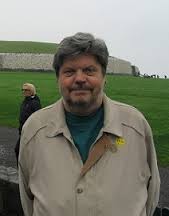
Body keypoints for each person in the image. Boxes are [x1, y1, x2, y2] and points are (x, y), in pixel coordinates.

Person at [18, 33, 160, 216]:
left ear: (104, 77)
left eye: (89, 70)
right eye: (69, 72)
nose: (79, 79)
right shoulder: (34, 130)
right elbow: (28, 201)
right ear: (58, 79)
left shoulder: (136, 126)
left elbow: (152, 195)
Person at [15, 83, 41, 164]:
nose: (24, 91)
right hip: (23, 131)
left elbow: (38, 118)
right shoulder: (26, 101)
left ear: (31, 91)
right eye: (23, 90)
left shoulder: (34, 103)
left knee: (19, 150)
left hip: (30, 132)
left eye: (26, 90)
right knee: (20, 151)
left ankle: (25, 171)